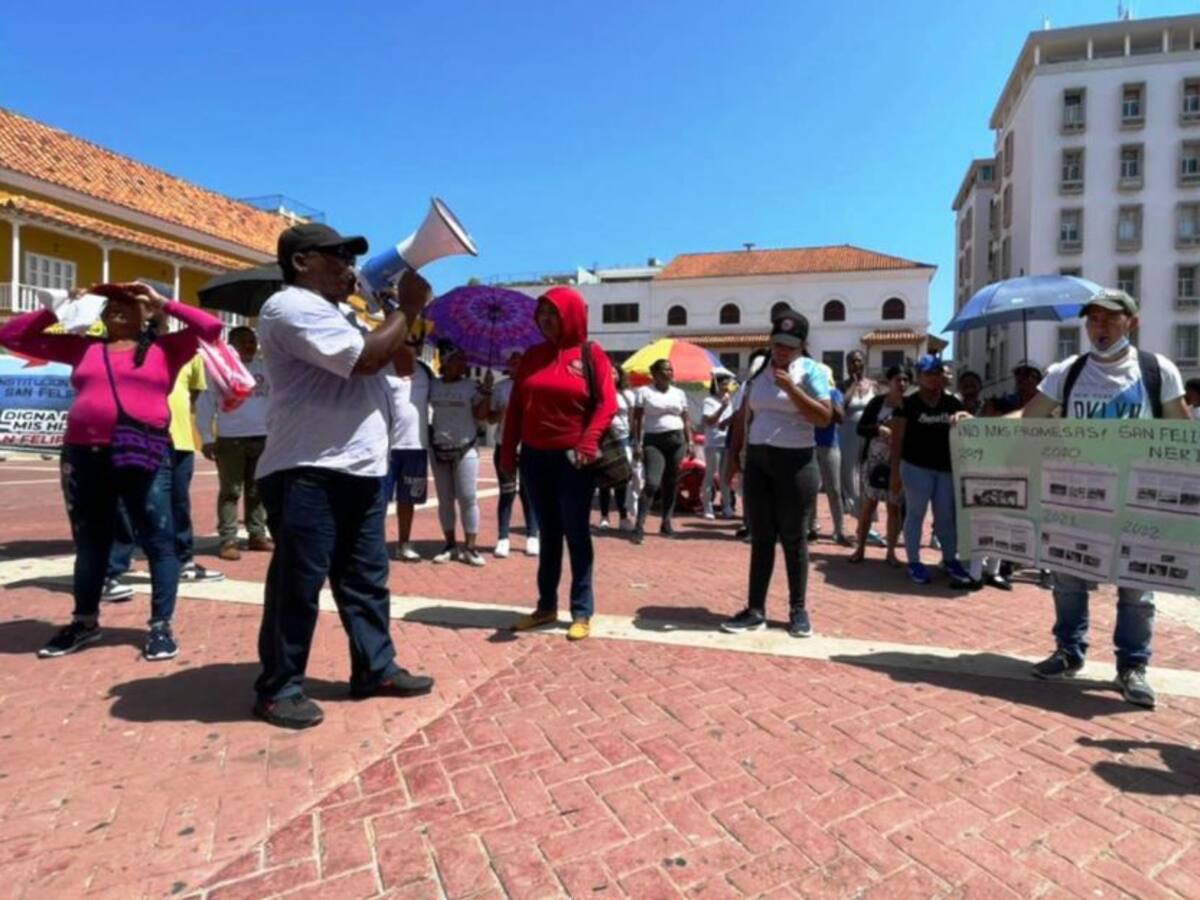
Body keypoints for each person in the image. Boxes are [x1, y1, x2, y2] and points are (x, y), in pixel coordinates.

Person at [252, 222, 434, 730]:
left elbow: (397, 362)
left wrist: (387, 314)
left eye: (349, 259)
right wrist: (408, 309)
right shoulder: (289, 307)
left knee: (365, 580)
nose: (347, 267)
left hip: (357, 466)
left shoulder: (338, 312)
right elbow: (364, 360)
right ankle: (278, 687)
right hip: (309, 468)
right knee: (298, 584)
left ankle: (374, 668)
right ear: (300, 262)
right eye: (334, 257)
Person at [0, 282, 223, 660]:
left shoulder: (166, 350)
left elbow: (211, 329)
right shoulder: (83, 348)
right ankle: (84, 621)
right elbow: (11, 335)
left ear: (146, 314)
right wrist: (63, 307)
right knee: (91, 542)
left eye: (128, 303)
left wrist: (164, 302)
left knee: (157, 539)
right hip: (84, 455)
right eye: (110, 303)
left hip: (144, 452)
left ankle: (160, 626)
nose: (117, 308)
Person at [1015, 288, 1190, 708]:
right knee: (1068, 579)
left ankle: (1132, 666)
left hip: (1137, 499)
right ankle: (1068, 652)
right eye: (1092, 320)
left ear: (1132, 321)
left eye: (1110, 319)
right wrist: (977, 425)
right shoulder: (1067, 372)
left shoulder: (1156, 369)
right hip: (1078, 496)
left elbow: (1182, 432)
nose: (1100, 327)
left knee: (1136, 588)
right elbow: (1031, 418)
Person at [500, 287, 617, 641]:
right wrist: (508, 451)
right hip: (535, 458)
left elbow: (607, 404)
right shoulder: (532, 356)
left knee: (576, 533)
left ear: (572, 315)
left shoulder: (591, 354)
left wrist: (588, 440)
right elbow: (517, 407)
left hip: (574, 459)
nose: (546, 321)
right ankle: (546, 606)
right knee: (548, 533)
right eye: (542, 314)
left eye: (554, 314)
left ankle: (581, 610)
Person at [722, 310, 832, 637]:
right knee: (762, 537)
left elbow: (824, 417)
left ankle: (798, 610)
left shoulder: (812, 371)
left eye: (790, 345)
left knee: (794, 537)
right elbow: (744, 415)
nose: (782, 350)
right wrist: (733, 458)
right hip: (759, 460)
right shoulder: (758, 370)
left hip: (796, 463)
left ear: (802, 346)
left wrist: (793, 389)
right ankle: (755, 609)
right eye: (778, 343)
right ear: (771, 341)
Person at [888, 354, 974, 589]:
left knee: (946, 517)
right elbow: (897, 440)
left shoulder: (953, 403)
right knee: (915, 513)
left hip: (946, 469)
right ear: (919, 376)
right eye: (928, 373)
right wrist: (895, 474)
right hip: (915, 467)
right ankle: (914, 562)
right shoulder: (908, 403)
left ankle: (949, 559)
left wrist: (966, 417)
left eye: (937, 372)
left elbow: (969, 427)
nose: (934, 378)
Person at [198, 326, 272, 562]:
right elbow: (206, 403)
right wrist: (207, 438)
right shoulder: (219, 370)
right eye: (244, 341)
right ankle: (228, 539)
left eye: (253, 341)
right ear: (232, 345)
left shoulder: (265, 369)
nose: (250, 345)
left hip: (262, 437)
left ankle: (257, 534)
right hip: (231, 439)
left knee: (257, 490)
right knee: (231, 491)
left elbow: (278, 399)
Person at [428, 341, 490, 566]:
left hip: (466, 448)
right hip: (438, 448)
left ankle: (470, 547)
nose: (463, 363)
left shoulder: (471, 386)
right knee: (445, 500)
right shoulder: (432, 386)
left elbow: (481, 415)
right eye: (458, 359)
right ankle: (450, 545)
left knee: (467, 497)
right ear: (445, 362)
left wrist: (487, 393)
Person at [380, 328, 433, 563]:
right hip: (386, 447)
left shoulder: (425, 373)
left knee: (408, 500)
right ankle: (375, 546)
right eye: (407, 343)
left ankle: (404, 544)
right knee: (379, 501)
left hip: (417, 446)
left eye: (415, 344)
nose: (412, 348)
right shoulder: (383, 372)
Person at [848, 365, 908, 566]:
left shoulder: (909, 406)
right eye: (898, 379)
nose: (902, 384)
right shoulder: (876, 403)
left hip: (897, 464)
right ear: (889, 382)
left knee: (894, 508)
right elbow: (860, 429)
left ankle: (891, 552)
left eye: (906, 380)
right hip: (873, 462)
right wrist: (878, 429)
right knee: (868, 506)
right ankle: (860, 548)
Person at [631, 360, 693, 542]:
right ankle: (639, 526)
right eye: (666, 369)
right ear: (656, 373)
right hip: (653, 441)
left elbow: (686, 418)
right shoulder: (644, 392)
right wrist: (636, 443)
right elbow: (636, 419)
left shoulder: (679, 393)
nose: (670, 372)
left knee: (671, 482)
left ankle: (666, 523)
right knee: (652, 482)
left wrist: (689, 441)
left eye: (671, 369)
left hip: (677, 440)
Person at [489, 350, 539, 558]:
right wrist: (500, 412)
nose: (516, 365)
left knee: (528, 493)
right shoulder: (500, 388)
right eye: (513, 362)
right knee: (506, 492)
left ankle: (532, 536)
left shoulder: (534, 386)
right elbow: (490, 419)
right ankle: (503, 537)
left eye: (520, 361)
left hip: (528, 446)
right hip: (504, 445)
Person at [727, 349, 769, 541]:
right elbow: (739, 416)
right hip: (749, 443)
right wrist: (735, 449)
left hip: (769, 444)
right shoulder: (746, 387)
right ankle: (749, 523)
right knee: (749, 485)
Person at [808, 369, 852, 546]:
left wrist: (828, 397)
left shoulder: (835, 393)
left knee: (834, 489)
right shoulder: (808, 394)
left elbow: (840, 417)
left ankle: (839, 530)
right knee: (811, 488)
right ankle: (812, 528)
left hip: (830, 445)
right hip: (810, 444)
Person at [838, 349, 876, 524]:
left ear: (865, 362)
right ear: (846, 365)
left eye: (858, 361)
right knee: (850, 474)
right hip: (848, 435)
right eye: (851, 362)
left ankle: (867, 517)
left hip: (869, 435)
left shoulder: (874, 385)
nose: (855, 364)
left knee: (867, 474)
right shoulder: (841, 386)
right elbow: (840, 407)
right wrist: (853, 386)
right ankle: (857, 515)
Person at [597, 366, 637, 530]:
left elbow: (633, 419)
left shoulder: (627, 395)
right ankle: (604, 517)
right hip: (604, 440)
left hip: (623, 439)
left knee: (622, 479)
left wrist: (636, 440)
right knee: (604, 480)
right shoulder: (599, 393)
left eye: (615, 373)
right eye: (609, 372)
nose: (612, 375)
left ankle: (623, 516)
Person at [700, 370, 735, 520]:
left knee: (725, 477)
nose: (727, 386)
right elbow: (708, 421)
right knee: (710, 473)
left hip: (727, 442)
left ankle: (726, 506)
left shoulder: (730, 400)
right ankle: (707, 506)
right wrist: (722, 407)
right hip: (713, 442)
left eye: (728, 383)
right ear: (717, 384)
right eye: (724, 383)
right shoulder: (709, 401)